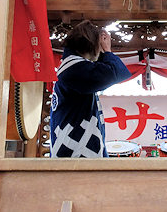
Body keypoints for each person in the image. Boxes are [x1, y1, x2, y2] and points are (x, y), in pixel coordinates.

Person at [50, 20, 131, 158]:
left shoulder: (70, 66)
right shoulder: (75, 68)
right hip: (75, 153)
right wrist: (108, 51)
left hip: (71, 150)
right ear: (93, 45)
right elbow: (115, 73)